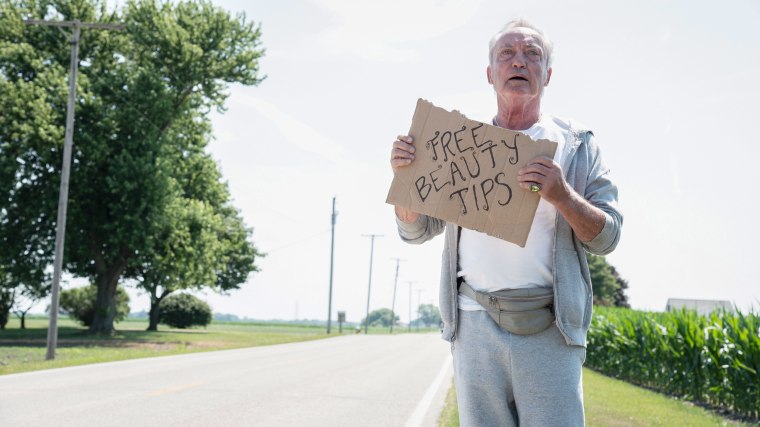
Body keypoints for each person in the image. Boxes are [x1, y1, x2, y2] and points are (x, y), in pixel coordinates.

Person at [389, 19, 622, 426]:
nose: (520, 62)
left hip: (550, 326)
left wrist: (562, 195)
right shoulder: (461, 145)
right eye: (507, 54)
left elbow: (607, 238)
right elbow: (416, 230)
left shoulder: (577, 145)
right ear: (490, 73)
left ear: (547, 74)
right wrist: (406, 181)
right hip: (473, 321)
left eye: (533, 54)